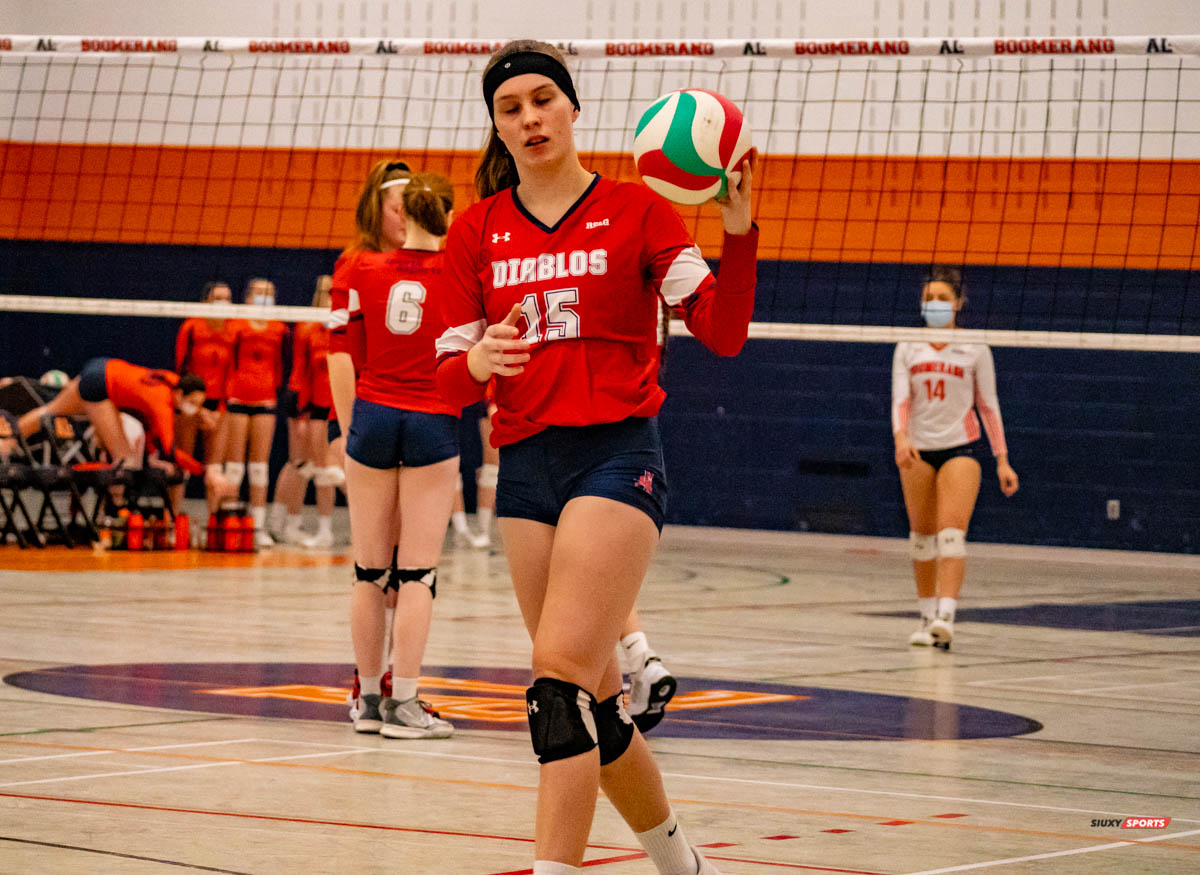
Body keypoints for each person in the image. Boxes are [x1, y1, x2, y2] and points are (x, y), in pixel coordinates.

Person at [434, 39, 756, 875]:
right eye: (511, 108)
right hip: (525, 468)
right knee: (599, 709)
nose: (530, 118)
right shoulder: (477, 231)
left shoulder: (642, 212)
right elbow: (439, 378)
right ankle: (685, 865)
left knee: (555, 682)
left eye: (544, 100)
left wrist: (738, 229)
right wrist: (474, 364)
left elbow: (722, 332)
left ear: (573, 108)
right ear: (497, 128)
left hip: (616, 457)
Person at [329, 166, 459, 739]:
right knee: (417, 574)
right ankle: (403, 703)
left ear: (403, 213)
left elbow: (343, 349)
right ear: (446, 216)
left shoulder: (358, 266)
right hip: (432, 416)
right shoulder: (461, 269)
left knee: (367, 570)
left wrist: (351, 428)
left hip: (373, 415)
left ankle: (366, 703)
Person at [892, 265, 1019, 650]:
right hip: (916, 448)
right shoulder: (907, 346)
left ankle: (946, 617)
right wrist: (900, 438)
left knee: (950, 536)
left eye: (942, 299)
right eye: (928, 298)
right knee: (921, 540)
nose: (934, 305)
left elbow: (988, 405)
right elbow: (900, 398)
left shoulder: (975, 346)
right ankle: (926, 618)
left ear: (959, 303)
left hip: (960, 448)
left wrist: (1002, 459)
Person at [15, 358, 233, 501]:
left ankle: (6, 438)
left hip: (99, 370)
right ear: (180, 395)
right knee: (125, 461)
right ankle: (114, 515)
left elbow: (153, 432)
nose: (194, 409)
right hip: (100, 387)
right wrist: (205, 473)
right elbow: (169, 449)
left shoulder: (173, 382)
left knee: (49, 412)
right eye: (193, 403)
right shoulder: (161, 400)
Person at [271, 275, 343, 548]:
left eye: (334, 291)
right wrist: (300, 413)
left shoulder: (350, 323)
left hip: (341, 406)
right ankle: (293, 525)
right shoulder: (307, 325)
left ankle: (315, 529)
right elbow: (299, 371)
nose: (330, 296)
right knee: (307, 466)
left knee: (330, 469)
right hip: (314, 406)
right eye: (326, 292)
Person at [225, 278, 288, 548]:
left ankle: (258, 527)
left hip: (265, 399)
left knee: (260, 468)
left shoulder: (280, 328)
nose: (264, 297)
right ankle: (228, 522)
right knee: (235, 467)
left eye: (269, 293)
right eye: (260, 293)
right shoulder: (236, 323)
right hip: (237, 397)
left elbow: (283, 365)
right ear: (248, 297)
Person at [174, 281, 236, 514]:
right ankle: (173, 520)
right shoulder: (191, 326)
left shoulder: (233, 329)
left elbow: (233, 373)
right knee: (183, 465)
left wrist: (217, 410)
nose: (223, 302)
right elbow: (180, 370)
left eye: (227, 298)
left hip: (218, 405)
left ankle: (215, 523)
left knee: (215, 468)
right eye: (218, 298)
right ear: (206, 301)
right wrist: (198, 410)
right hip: (190, 404)